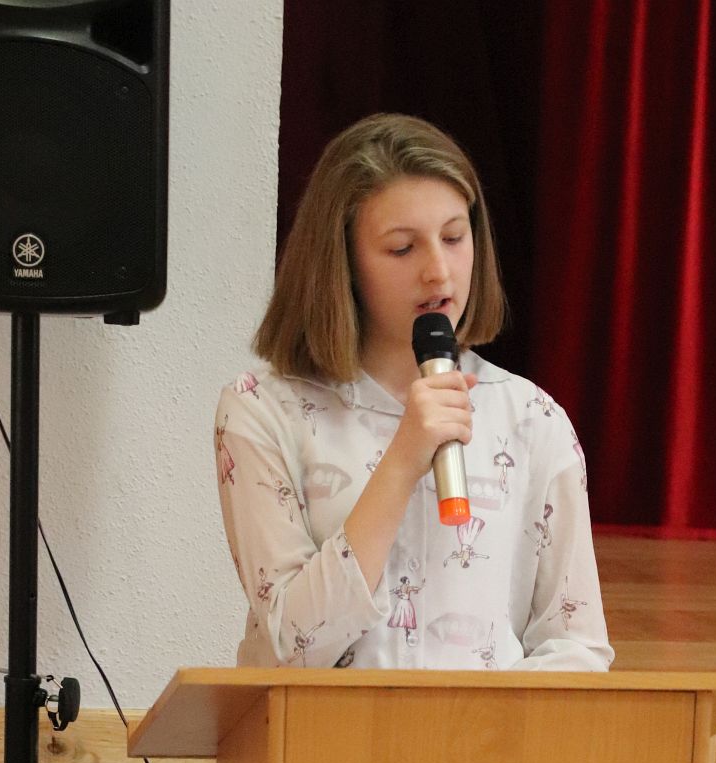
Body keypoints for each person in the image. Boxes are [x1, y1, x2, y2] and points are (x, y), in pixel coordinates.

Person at [214, 113, 613, 673]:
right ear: (343, 262)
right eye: (402, 249)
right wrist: (403, 460)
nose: (439, 271)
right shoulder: (261, 410)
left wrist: (480, 720)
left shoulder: (532, 417)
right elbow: (292, 649)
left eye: (454, 237)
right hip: (316, 729)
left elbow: (577, 647)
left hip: (488, 731)